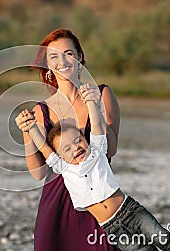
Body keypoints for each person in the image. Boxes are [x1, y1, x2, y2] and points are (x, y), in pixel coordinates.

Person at [19, 84, 170, 251]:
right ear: (60, 156)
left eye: (78, 140)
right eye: (67, 148)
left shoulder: (97, 152)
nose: (75, 148)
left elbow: (97, 126)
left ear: (85, 139)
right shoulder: (62, 168)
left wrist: (91, 103)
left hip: (130, 211)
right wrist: (30, 127)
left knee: (167, 241)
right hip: (111, 228)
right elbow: (43, 148)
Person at [15, 28, 120, 250]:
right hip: (57, 202)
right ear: (48, 66)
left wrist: (95, 108)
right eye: (53, 56)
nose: (62, 61)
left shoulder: (102, 94)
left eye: (68, 53)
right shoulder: (41, 110)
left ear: (79, 56)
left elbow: (110, 150)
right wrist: (27, 134)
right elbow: (39, 173)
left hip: (99, 199)